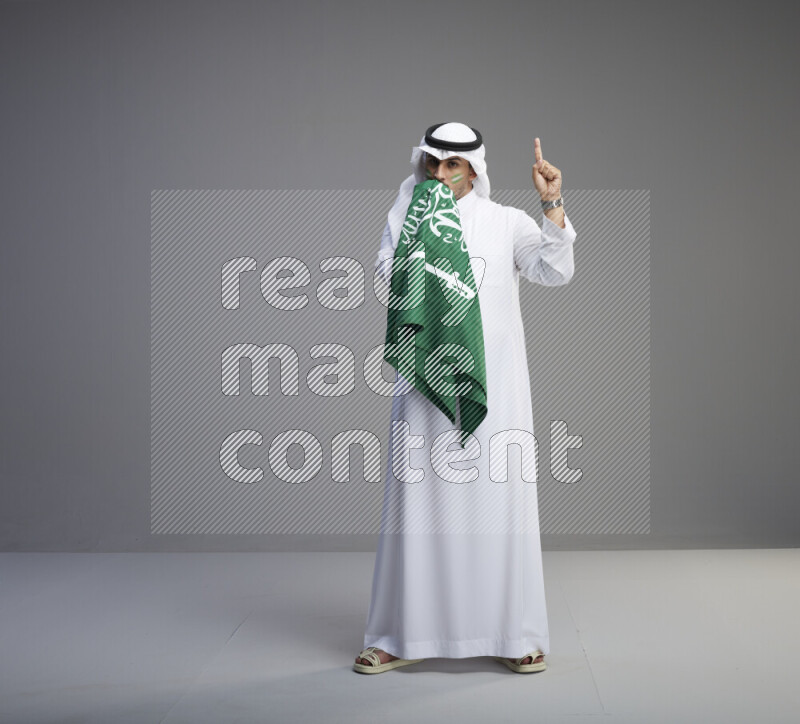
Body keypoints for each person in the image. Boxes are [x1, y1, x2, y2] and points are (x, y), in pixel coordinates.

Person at [354, 122, 576, 674]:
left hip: (495, 387)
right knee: (418, 508)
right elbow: (385, 283)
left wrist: (552, 204)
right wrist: (421, 249)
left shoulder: (506, 222)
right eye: (434, 164)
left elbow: (554, 269)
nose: (441, 174)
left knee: (499, 505)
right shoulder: (406, 218)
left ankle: (514, 633)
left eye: (453, 165)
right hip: (426, 387)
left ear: (474, 170)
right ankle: (398, 635)